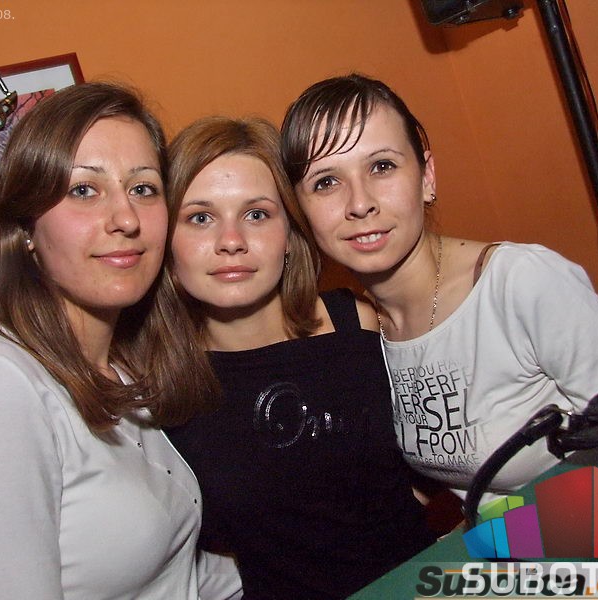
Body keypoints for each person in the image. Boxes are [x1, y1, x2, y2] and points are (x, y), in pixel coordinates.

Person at [0, 82, 241, 599]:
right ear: (26, 229)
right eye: (84, 190)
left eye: (143, 188)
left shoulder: (125, 373)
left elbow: (183, 579)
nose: (126, 219)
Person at [280, 73, 598, 497]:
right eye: (326, 182)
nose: (360, 203)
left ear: (427, 176)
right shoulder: (364, 332)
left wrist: (512, 532)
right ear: (301, 211)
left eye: (382, 166)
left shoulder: (521, 283)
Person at [162, 116, 434, 600]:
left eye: (257, 214)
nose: (231, 240)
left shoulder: (357, 323)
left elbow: (437, 458)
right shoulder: (162, 383)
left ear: (290, 233)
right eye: (200, 218)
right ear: (167, 240)